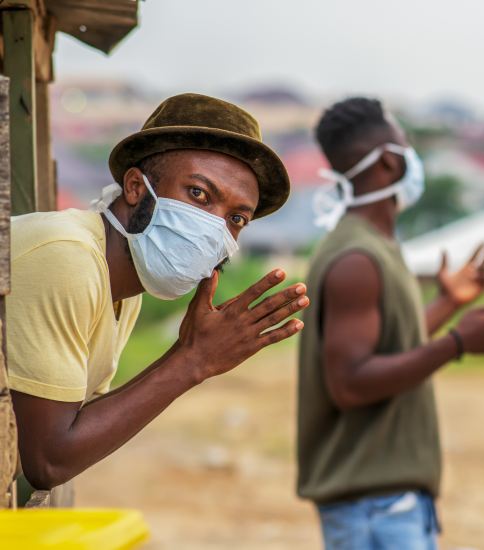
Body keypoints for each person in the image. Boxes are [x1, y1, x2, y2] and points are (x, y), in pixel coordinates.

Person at [9, 93, 310, 506]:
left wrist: (190, 356)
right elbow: (47, 460)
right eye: (199, 194)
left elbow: (77, 422)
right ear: (136, 187)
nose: (214, 225)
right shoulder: (66, 258)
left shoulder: (125, 284)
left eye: (236, 218)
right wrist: (192, 360)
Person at [297, 97, 484, 549]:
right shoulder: (356, 258)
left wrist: (445, 305)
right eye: (406, 147)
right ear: (388, 163)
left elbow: (383, 348)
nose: (413, 158)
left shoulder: (376, 245)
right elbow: (351, 383)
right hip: (374, 510)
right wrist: (457, 343)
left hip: (387, 503)